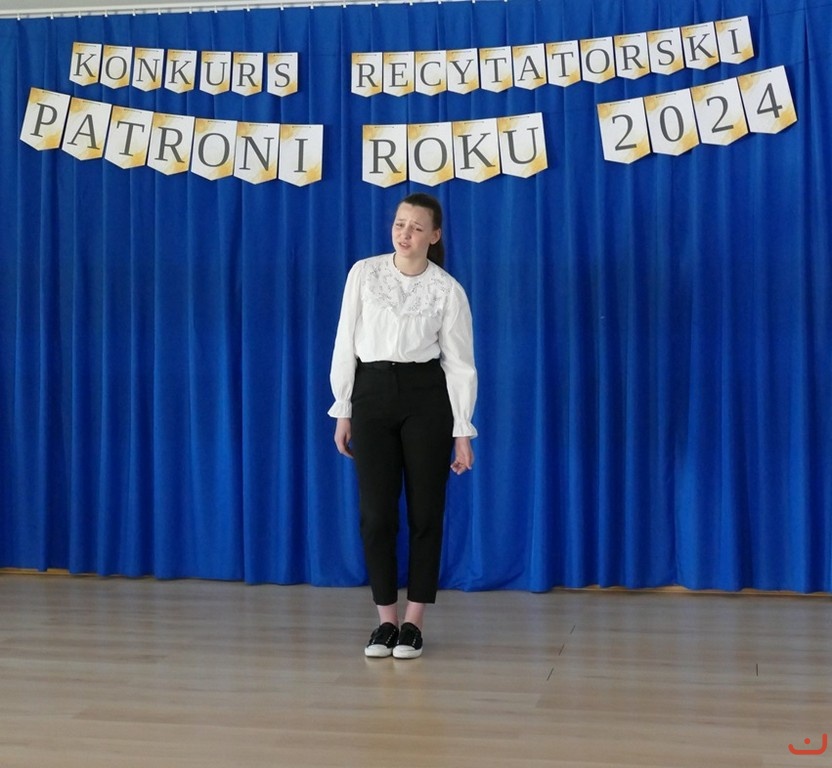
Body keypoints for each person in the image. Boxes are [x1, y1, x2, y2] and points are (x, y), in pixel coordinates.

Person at [328, 192, 478, 659]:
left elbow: (460, 364)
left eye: (416, 227)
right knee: (376, 515)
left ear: (434, 236)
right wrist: (343, 408)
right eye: (399, 224)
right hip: (371, 393)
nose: (405, 233)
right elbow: (345, 341)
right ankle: (385, 622)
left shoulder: (447, 290)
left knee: (425, 513)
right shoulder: (364, 273)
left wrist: (462, 430)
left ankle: (414, 622)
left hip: (426, 398)